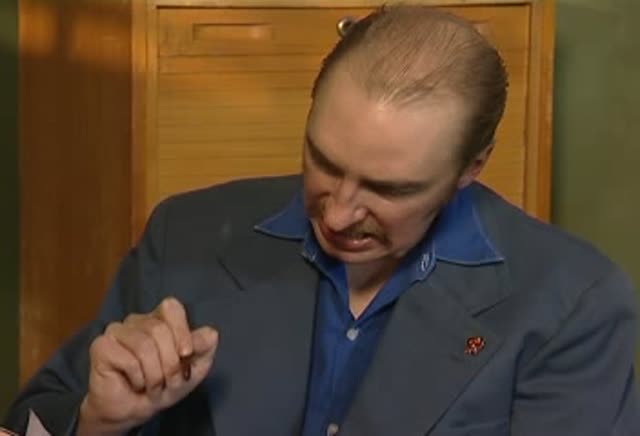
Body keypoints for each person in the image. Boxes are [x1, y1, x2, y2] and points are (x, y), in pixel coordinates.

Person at [4, 5, 639, 436]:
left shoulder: (573, 304)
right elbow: (38, 414)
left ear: (471, 168)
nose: (337, 213)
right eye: (323, 162)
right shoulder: (187, 232)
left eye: (388, 189)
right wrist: (100, 422)